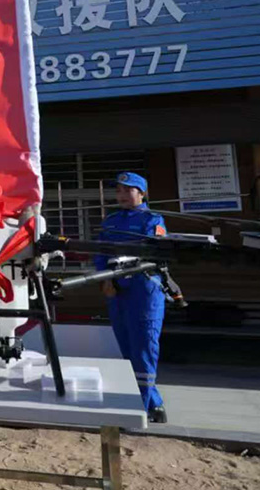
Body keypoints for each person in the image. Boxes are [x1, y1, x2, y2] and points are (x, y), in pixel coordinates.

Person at [97, 172, 168, 423]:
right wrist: (105, 280)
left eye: (128, 190)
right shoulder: (111, 221)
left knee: (144, 348)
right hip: (116, 289)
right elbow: (100, 253)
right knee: (126, 348)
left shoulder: (152, 219)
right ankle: (154, 403)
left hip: (143, 290)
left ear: (142, 193)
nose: (122, 195)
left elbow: (155, 252)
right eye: (119, 191)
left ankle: (141, 407)